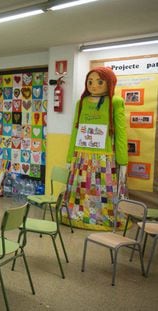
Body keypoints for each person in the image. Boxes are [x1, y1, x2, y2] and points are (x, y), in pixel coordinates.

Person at [64, 67, 128, 231]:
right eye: (90, 81)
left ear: (109, 83)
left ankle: (103, 218)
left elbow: (121, 134)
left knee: (103, 190)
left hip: (104, 157)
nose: (94, 85)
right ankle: (78, 215)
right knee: (81, 189)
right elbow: (75, 130)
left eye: (100, 81)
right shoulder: (82, 102)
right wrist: (70, 157)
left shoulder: (115, 101)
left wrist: (123, 161)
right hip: (82, 155)